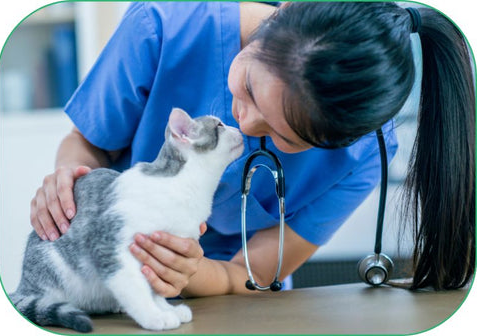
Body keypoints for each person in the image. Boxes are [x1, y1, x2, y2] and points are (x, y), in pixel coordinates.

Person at [29, 1, 474, 296]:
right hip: (106, 270)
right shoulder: (163, 25)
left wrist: (189, 271)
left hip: (234, 301)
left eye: (286, 139)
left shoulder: (361, 156)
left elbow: (254, 273)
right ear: (283, 13)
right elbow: (87, 143)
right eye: (248, 87)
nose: (246, 122)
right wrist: (71, 178)